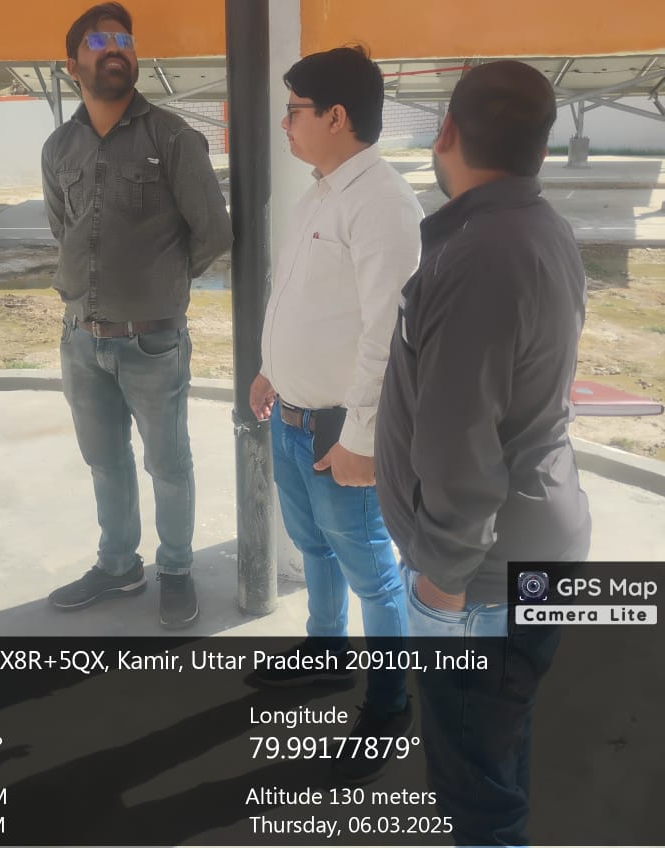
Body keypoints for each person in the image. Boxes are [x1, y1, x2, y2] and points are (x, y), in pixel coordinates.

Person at [374, 60, 592, 844]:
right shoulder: (536, 228)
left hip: (479, 578)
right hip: (517, 556)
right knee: (495, 756)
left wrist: (440, 578)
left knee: (474, 794)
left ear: (446, 133)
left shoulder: (479, 255)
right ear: (541, 146)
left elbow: (459, 443)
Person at [248, 45, 423, 780]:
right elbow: (300, 297)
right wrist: (271, 368)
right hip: (292, 417)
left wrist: (362, 439)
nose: (285, 123)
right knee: (314, 547)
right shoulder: (320, 194)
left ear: (336, 116)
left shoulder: (383, 204)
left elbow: (390, 336)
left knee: (372, 573)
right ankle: (324, 653)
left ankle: (390, 703)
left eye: (294, 110)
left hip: (337, 434)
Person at [42, 1, 232, 629]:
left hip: (153, 343)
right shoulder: (59, 147)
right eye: (99, 42)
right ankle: (119, 566)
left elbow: (212, 232)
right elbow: (64, 231)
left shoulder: (171, 138)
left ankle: (175, 570)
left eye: (123, 39)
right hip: (80, 340)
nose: (115, 48)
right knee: (105, 461)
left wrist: (159, 288)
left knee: (168, 466)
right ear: (73, 66)